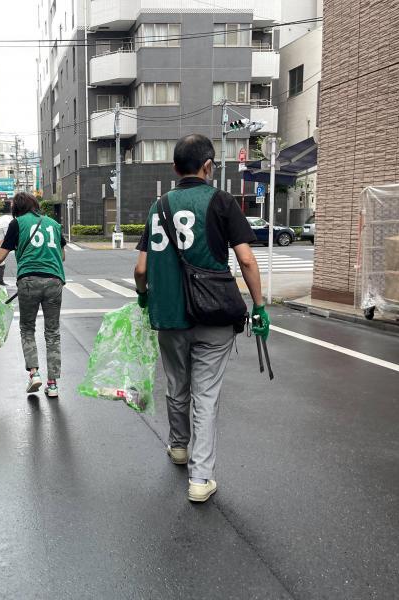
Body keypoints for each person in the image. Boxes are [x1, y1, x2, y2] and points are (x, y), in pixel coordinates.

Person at [133, 134, 269, 503]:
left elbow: (141, 267)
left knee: (177, 385)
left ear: (175, 168)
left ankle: (178, 446)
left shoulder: (158, 206)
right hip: (214, 315)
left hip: (170, 316)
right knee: (205, 395)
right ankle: (200, 478)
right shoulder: (222, 201)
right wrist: (258, 306)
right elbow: (245, 260)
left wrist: (144, 298)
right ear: (208, 166)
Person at [0, 192, 66, 397]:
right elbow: (62, 255)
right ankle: (53, 384)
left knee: (28, 328)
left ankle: (34, 374)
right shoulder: (53, 225)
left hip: (29, 281)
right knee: (53, 332)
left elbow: (1, 255)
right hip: (55, 280)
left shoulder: (17, 223)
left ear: (16, 209)